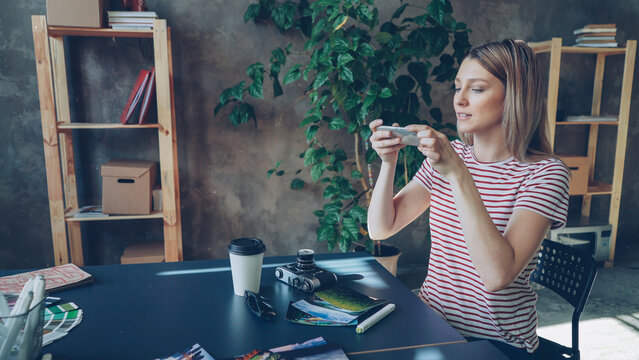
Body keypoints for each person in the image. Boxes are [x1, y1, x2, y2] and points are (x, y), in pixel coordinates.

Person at [367, 39, 570, 359]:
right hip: (430, 322)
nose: (459, 100)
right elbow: (381, 228)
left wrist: (458, 173)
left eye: (476, 89)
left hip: (497, 343)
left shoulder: (545, 174)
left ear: (514, 96)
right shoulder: (452, 156)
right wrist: (388, 162)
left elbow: (496, 276)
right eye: (457, 87)